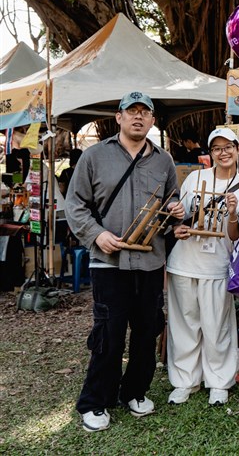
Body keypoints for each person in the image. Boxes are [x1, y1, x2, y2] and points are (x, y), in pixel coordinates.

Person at [66, 92, 185, 432]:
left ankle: (134, 391)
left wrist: (176, 210)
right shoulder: (94, 156)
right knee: (109, 333)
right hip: (109, 262)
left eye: (144, 112)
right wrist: (95, 234)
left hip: (150, 262)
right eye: (131, 111)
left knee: (147, 330)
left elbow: (172, 199)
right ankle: (95, 401)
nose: (138, 117)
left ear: (151, 120)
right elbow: (76, 204)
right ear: (117, 117)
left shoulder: (163, 160)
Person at [165, 128, 239, 406]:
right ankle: (184, 380)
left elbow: (238, 235)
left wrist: (235, 213)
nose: (223, 152)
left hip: (217, 264)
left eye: (228, 147)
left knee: (217, 326)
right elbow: (182, 213)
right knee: (184, 324)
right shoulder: (195, 178)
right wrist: (177, 222)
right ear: (210, 152)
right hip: (184, 261)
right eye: (217, 148)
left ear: (238, 149)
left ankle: (218, 381)